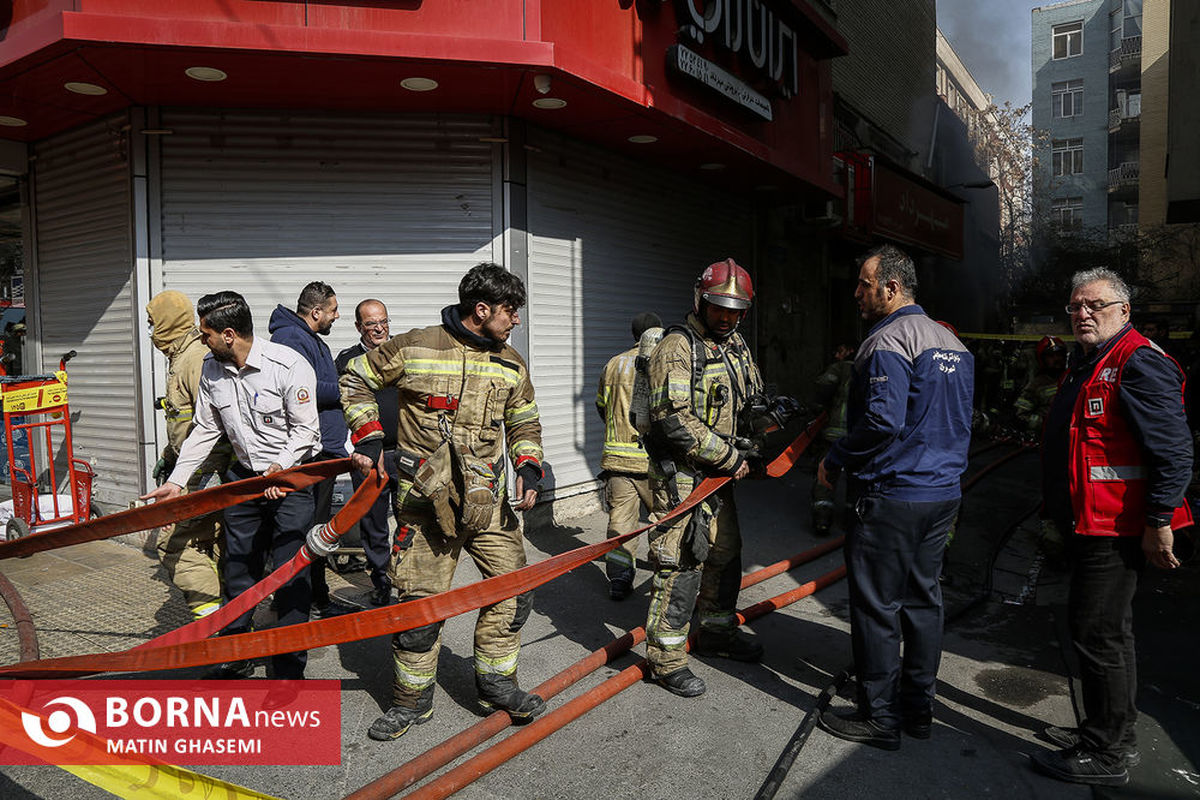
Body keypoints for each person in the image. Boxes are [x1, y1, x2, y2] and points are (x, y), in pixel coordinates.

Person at [340, 262, 546, 741]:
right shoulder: (416, 345)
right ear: (481, 309)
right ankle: (411, 702)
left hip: (488, 505)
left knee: (514, 592)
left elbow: (524, 421)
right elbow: (355, 379)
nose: (515, 320)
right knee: (418, 609)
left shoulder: (512, 363)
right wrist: (370, 437)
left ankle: (496, 683)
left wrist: (529, 465)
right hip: (425, 507)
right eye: (509, 311)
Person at [1031, 268, 1193, 787]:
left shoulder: (1138, 361)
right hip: (1088, 523)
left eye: (1094, 305)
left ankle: (1106, 752)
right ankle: (1103, 730)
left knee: (1099, 634)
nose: (1082, 314)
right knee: (1100, 632)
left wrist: (1160, 521)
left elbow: (1173, 450)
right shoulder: (1089, 360)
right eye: (1075, 306)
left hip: (1116, 528)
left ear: (1124, 310)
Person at [815, 243, 973, 750]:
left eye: (864, 284)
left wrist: (835, 458)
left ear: (892, 288)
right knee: (924, 601)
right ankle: (917, 710)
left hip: (893, 495)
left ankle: (879, 717)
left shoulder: (889, 339)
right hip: (942, 494)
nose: (857, 293)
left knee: (877, 605)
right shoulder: (953, 344)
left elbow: (882, 420)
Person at [142, 291, 321, 679]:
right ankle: (236, 652)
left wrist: (280, 468)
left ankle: (288, 670)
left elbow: (307, 432)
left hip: (289, 480)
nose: (200, 341)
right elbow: (206, 428)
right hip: (243, 480)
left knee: (290, 575)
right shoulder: (211, 367)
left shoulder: (287, 365)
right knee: (238, 569)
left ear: (227, 334)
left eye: (205, 334)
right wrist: (176, 482)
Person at [642, 258, 765, 699]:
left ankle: (716, 634)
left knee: (726, 553)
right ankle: (666, 659)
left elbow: (750, 396)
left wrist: (764, 423)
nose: (727, 317)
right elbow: (672, 419)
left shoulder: (735, 345)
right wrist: (729, 456)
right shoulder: (678, 346)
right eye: (718, 308)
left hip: (719, 477)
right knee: (682, 561)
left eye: (735, 311)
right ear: (700, 299)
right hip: (683, 478)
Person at [145, 290, 234, 618]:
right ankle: (234, 621)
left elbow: (214, 422)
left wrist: (190, 472)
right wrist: (171, 454)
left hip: (206, 472)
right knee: (218, 545)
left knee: (174, 546)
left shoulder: (194, 359)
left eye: (154, 322)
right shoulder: (185, 356)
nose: (151, 330)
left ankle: (215, 624)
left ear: (170, 322)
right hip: (199, 469)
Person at [269, 281, 352, 618]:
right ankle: (303, 603)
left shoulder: (307, 338)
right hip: (310, 453)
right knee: (307, 534)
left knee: (316, 531)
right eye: (333, 310)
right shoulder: (291, 338)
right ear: (316, 312)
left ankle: (316, 598)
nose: (336, 316)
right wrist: (347, 386)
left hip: (324, 451)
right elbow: (304, 390)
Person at [335, 299, 400, 606]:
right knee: (373, 523)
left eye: (383, 322)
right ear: (359, 326)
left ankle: (407, 580)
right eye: (372, 324)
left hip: (407, 451)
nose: (379, 329)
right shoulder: (347, 360)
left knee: (410, 519)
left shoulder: (401, 354)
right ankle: (382, 584)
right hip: (369, 456)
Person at [595, 311, 662, 600]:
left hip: (617, 461)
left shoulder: (613, 364)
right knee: (665, 522)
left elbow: (602, 406)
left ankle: (620, 580)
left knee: (621, 525)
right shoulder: (661, 365)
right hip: (652, 461)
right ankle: (665, 580)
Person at [810, 342, 855, 536]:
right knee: (856, 477)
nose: (837, 355)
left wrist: (819, 408)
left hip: (835, 433)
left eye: (840, 350)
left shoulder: (841, 367)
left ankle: (822, 518)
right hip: (859, 436)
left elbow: (822, 388)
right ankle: (851, 518)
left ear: (850, 350)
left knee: (826, 474)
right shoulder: (872, 366)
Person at [1014, 335, 1067, 434]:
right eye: (1051, 356)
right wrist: (1046, 422)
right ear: (1042, 360)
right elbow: (1020, 416)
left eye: (1059, 355)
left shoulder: (1071, 378)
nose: (1057, 359)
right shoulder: (1036, 385)